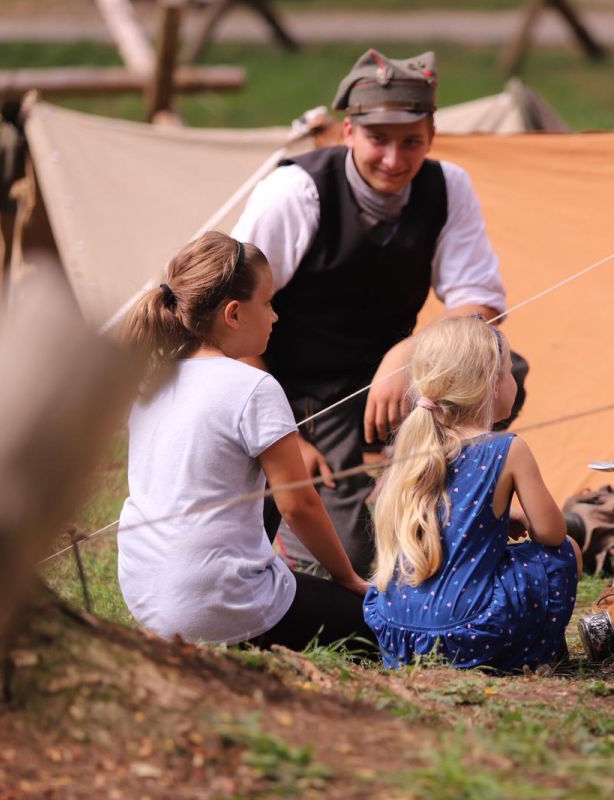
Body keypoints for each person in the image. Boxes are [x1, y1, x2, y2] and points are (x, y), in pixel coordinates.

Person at [231, 49, 520, 578]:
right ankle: (309, 511)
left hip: (385, 383)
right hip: (298, 395)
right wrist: (284, 437)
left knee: (498, 366)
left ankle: (436, 505)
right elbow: (225, 323)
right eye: (378, 139)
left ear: (431, 136)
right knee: (351, 559)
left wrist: (408, 353)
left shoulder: (448, 186)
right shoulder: (294, 193)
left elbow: (480, 303)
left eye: (411, 141)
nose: (393, 158)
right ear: (348, 132)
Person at [117, 231, 374, 652]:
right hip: (215, 607)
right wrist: (347, 579)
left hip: (149, 601)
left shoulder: (151, 381)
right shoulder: (253, 386)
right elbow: (299, 504)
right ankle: (250, 617)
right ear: (234, 314)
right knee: (375, 622)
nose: (275, 316)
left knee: (261, 478)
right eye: (268, 303)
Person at [363, 317, 580, 671]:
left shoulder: (414, 444)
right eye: (509, 372)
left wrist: (495, 522)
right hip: (468, 633)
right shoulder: (507, 448)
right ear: (493, 385)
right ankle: (537, 650)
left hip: (398, 631)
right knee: (567, 552)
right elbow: (552, 534)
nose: (513, 381)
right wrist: (524, 518)